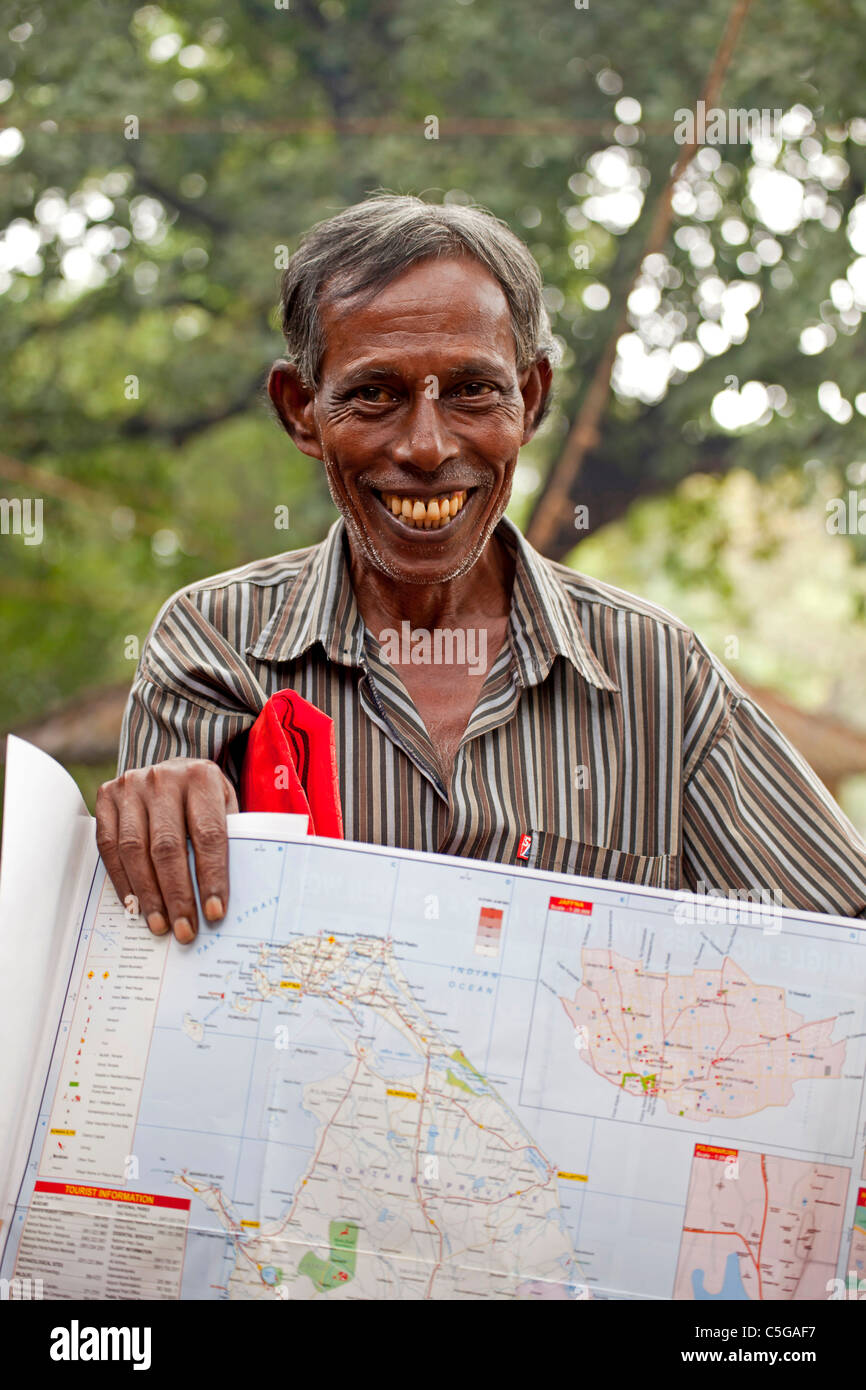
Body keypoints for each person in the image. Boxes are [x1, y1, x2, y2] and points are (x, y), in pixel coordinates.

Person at [95, 194, 866, 942]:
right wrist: (156, 807)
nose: (426, 447)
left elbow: (840, 933)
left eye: (471, 391)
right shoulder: (213, 644)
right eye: (374, 394)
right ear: (301, 409)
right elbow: (153, 959)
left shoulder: (657, 674)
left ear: (529, 400)